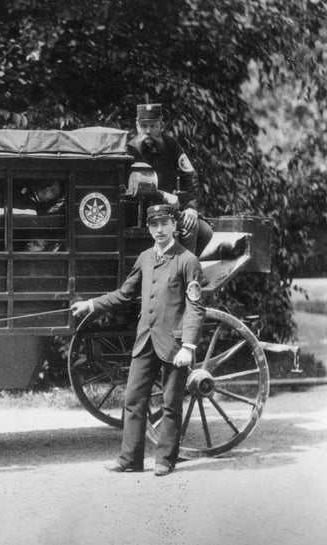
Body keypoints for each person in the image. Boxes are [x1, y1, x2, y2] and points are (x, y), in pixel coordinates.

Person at [71, 204, 205, 476]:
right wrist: (91, 304)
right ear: (148, 228)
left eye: (164, 224)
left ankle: (165, 460)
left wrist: (189, 347)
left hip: (175, 344)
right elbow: (124, 294)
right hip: (145, 341)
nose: (159, 230)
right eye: (154, 225)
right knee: (133, 399)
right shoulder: (145, 257)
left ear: (174, 226)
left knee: (171, 404)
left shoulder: (187, 260)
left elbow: (196, 307)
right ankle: (130, 459)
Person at [127, 103, 213, 255]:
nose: (148, 131)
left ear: (161, 125)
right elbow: (132, 185)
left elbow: (190, 176)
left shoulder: (171, 145)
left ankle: (185, 270)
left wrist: (191, 207)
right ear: (136, 125)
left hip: (172, 210)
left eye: (153, 126)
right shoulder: (130, 150)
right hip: (142, 211)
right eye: (143, 126)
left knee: (204, 231)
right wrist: (163, 195)